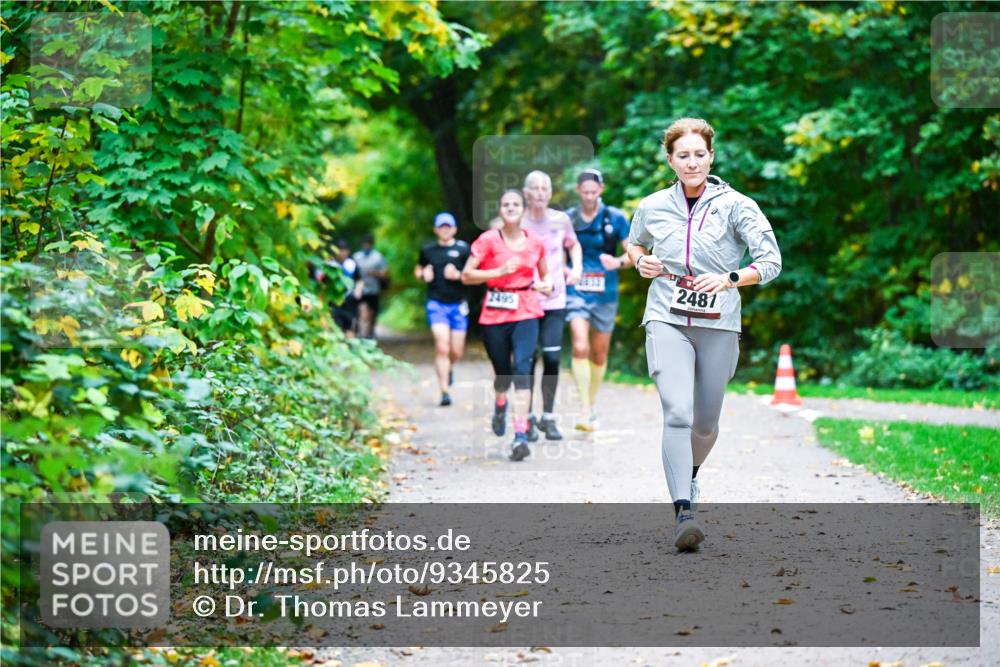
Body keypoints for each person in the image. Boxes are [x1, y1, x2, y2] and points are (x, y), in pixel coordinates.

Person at [626, 118, 781, 550]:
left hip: (719, 322)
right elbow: (634, 242)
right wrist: (641, 261)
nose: (691, 162)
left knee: (706, 422)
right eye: (682, 155)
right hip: (666, 315)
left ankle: (689, 476)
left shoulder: (738, 206)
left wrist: (731, 278)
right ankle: (683, 513)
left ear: (710, 156)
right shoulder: (653, 205)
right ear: (670, 160)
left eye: (699, 154)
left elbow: (770, 262)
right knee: (676, 412)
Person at [462, 189, 552, 461]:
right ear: (500, 210)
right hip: (495, 314)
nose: (511, 208)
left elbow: (546, 278)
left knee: (522, 369)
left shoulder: (535, 242)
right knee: (503, 374)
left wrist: (546, 286)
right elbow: (467, 275)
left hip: (526, 309)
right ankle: (500, 404)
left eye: (516, 204)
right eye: (505, 204)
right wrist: (498, 272)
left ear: (523, 210)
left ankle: (520, 435)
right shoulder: (488, 240)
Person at [565, 168, 632, 431]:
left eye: (594, 192)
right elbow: (553, 251)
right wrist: (564, 269)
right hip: (576, 290)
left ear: (601, 190)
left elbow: (634, 255)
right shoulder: (569, 218)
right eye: (585, 192)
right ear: (578, 191)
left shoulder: (615, 217)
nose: (590, 196)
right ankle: (584, 409)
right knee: (580, 346)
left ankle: (591, 405)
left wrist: (616, 262)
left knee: (599, 352)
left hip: (606, 292)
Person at [520, 170, 582, 441]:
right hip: (526, 301)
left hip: (556, 299)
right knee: (529, 360)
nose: (541, 192)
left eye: (545, 187)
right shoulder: (517, 222)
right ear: (526, 193)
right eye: (535, 187)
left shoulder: (561, 220)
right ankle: (529, 418)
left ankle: (549, 416)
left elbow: (573, 245)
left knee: (553, 358)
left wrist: (576, 267)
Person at [414, 212, 471, 407]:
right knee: (442, 345)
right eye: (441, 227)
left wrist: (459, 275)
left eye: (448, 226)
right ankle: (444, 391)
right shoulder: (428, 250)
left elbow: (474, 274)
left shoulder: (464, 250)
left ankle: (449, 367)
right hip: (436, 304)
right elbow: (418, 268)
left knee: (456, 351)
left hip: (458, 305)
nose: (445, 229)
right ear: (436, 230)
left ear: (454, 229)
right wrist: (424, 275)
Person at [352, 234, 388, 340]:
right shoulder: (356, 257)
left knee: (372, 313)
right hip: (360, 290)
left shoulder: (378, 257)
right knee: (362, 312)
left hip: (374, 290)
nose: (366, 245)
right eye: (365, 243)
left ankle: (370, 333)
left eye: (368, 243)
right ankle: (362, 334)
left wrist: (375, 273)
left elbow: (385, 273)